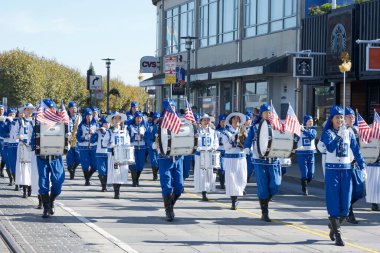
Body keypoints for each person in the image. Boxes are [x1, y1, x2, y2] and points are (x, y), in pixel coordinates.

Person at [321, 105, 365, 246]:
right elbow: (330, 147)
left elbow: (356, 151)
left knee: (345, 207)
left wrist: (362, 166)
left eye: (341, 117)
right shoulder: (327, 133)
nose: (340, 120)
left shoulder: (349, 132)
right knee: (333, 201)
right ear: (332, 119)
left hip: (346, 171)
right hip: (332, 171)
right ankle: (338, 235)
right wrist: (338, 136)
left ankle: (334, 226)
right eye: (337, 117)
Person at [244, 104, 282, 222]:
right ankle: (264, 211)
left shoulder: (277, 127)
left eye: (270, 113)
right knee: (263, 186)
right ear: (262, 114)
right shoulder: (255, 127)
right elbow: (249, 140)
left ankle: (265, 200)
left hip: (273, 159)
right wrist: (247, 148)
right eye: (266, 112)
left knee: (275, 184)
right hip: (259, 160)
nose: (268, 114)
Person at [31, 99, 67, 218]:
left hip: (56, 157)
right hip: (43, 157)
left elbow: (65, 137)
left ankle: (51, 201)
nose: (50, 111)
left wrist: (66, 144)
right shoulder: (38, 123)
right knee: (43, 182)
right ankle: (46, 207)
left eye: (52, 109)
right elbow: (34, 139)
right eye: (47, 109)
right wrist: (35, 144)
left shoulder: (60, 122)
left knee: (58, 180)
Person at [153, 99, 184, 221]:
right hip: (165, 158)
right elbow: (152, 140)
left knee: (179, 187)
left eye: (174, 107)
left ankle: (170, 205)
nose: (172, 110)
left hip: (178, 157)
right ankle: (169, 211)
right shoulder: (160, 123)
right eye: (170, 108)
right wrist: (157, 145)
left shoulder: (180, 122)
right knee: (166, 186)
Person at [222, 112, 247, 210]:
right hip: (231, 158)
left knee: (242, 178)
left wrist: (245, 140)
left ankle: (240, 192)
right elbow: (226, 147)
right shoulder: (226, 133)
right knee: (232, 180)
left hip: (241, 158)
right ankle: (234, 201)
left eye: (238, 119)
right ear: (231, 120)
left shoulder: (243, 131)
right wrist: (233, 139)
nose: (237, 120)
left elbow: (246, 145)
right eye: (235, 118)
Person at [344, 107, 365, 224]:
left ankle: (346, 207)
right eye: (349, 117)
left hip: (357, 164)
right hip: (346, 165)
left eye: (353, 117)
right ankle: (349, 212)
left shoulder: (357, 129)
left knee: (359, 191)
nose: (352, 119)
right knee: (349, 190)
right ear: (344, 118)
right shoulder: (342, 130)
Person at [103, 112, 130, 199]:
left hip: (122, 154)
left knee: (122, 173)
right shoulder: (109, 131)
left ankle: (118, 188)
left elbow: (127, 142)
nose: (117, 120)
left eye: (119, 118)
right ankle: (116, 192)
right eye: (115, 118)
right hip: (113, 155)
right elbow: (104, 143)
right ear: (112, 120)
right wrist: (111, 144)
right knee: (115, 173)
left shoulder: (125, 131)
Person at [194, 113, 219, 201]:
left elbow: (216, 143)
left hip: (209, 154)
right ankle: (203, 192)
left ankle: (207, 189)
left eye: (207, 120)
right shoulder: (197, 132)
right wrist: (199, 149)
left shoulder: (213, 131)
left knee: (209, 173)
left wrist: (213, 148)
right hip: (200, 155)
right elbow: (195, 144)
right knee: (201, 174)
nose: (206, 122)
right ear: (200, 121)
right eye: (204, 120)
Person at [13, 103, 36, 198]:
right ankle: (25, 189)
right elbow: (14, 134)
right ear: (24, 111)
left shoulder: (36, 121)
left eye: (31, 109)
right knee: (24, 168)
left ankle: (31, 187)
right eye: (27, 109)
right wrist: (21, 137)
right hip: (23, 147)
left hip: (32, 147)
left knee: (32, 168)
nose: (29, 111)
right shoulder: (19, 122)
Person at [295, 115, 317, 196]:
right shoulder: (299, 130)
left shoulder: (313, 130)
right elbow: (295, 139)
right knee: (304, 172)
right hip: (302, 153)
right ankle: (304, 187)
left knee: (311, 173)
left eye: (312, 121)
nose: (311, 122)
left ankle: (305, 182)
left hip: (311, 153)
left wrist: (304, 130)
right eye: (309, 121)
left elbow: (312, 136)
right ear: (305, 122)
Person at [76, 108, 98, 186]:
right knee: (85, 165)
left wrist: (93, 136)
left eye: (90, 115)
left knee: (95, 165)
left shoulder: (96, 124)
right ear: (85, 116)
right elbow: (78, 137)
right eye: (88, 115)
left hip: (93, 147)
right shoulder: (81, 125)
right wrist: (85, 137)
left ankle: (88, 176)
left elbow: (98, 136)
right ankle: (87, 180)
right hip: (83, 147)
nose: (89, 117)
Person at [128, 111, 148, 187]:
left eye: (140, 118)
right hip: (133, 147)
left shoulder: (144, 127)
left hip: (142, 147)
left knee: (141, 165)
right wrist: (135, 137)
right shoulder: (131, 126)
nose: (139, 119)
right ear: (135, 118)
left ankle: (137, 178)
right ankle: (134, 181)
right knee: (133, 164)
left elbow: (148, 136)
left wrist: (143, 136)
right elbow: (128, 137)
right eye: (137, 118)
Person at [93, 116, 110, 192]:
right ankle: (103, 186)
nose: (107, 125)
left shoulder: (111, 131)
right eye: (105, 123)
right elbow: (92, 140)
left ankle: (105, 184)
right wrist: (94, 133)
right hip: (100, 153)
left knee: (108, 171)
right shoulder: (99, 132)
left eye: (108, 123)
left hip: (109, 153)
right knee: (101, 170)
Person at [66, 101, 81, 179]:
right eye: (72, 108)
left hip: (77, 141)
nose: (73, 109)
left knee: (79, 159)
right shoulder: (66, 118)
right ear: (69, 109)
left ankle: (73, 168)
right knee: (69, 160)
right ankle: (71, 171)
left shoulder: (80, 118)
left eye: (75, 108)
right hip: (69, 141)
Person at [4, 108, 17, 189]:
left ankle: (17, 182)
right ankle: (11, 179)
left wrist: (12, 122)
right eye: (10, 114)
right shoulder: (5, 122)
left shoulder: (17, 122)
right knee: (8, 163)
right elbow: (4, 132)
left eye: (13, 114)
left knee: (16, 164)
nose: (12, 116)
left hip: (15, 144)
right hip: (6, 144)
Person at [147, 112, 160, 181]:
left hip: (160, 147)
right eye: (155, 119)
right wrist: (152, 144)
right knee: (154, 161)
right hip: (152, 147)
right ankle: (155, 175)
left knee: (159, 161)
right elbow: (147, 138)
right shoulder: (150, 127)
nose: (157, 121)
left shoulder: (161, 127)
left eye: (158, 119)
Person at [215, 114, 227, 189]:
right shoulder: (216, 131)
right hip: (219, 151)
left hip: (227, 151)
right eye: (222, 121)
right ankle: (222, 183)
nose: (223, 123)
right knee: (221, 168)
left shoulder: (228, 131)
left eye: (225, 121)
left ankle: (226, 182)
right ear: (219, 122)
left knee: (226, 168)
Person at [0, 105, 6, 178]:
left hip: (3, 140)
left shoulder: (6, 118)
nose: (1, 111)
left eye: (2, 109)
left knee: (4, 157)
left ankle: (1, 170)